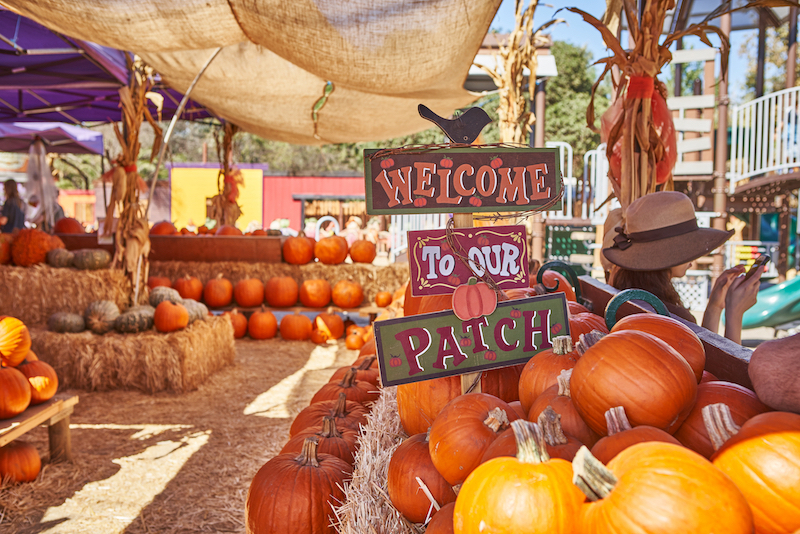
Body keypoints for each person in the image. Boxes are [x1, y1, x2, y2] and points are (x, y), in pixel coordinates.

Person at [602, 191, 763, 345]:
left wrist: (714, 306)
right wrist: (734, 314)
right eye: (686, 248)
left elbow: (702, 350)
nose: (692, 259)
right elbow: (721, 372)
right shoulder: (669, 317)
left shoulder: (627, 295)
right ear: (668, 254)